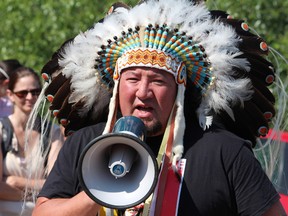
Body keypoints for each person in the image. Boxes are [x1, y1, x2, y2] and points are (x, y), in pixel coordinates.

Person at [30, 0, 287, 215]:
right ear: (117, 87)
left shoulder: (224, 151)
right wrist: (98, 192)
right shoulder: (86, 143)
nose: (143, 92)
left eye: (157, 81)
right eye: (132, 79)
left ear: (179, 88)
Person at [0, 66, 64, 216]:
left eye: (35, 92)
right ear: (10, 95)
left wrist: (16, 182)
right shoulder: (2, 130)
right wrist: (35, 191)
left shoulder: (52, 132)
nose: (30, 97)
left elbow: (56, 184)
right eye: (22, 93)